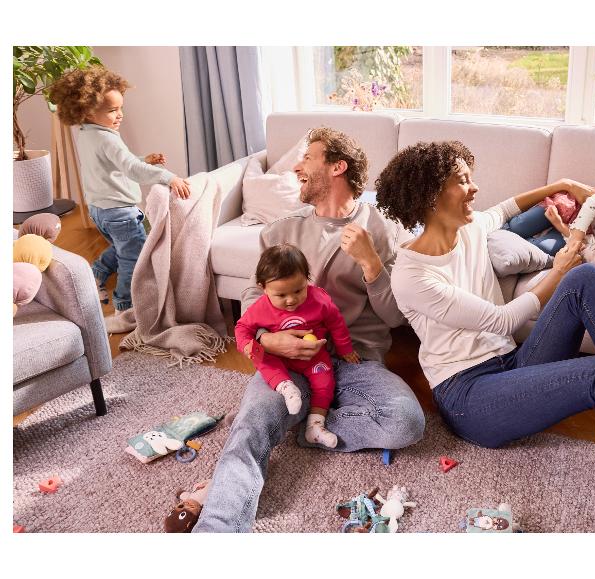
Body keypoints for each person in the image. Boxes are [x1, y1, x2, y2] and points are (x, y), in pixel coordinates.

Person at [375, 141, 595, 533]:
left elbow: (506, 208)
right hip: (469, 396)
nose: (474, 188)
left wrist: (562, 183)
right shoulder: (412, 275)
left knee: (585, 277)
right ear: (432, 196)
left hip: (512, 363)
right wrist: (558, 266)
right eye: (463, 180)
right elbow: (501, 321)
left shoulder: (467, 229)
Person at [193, 127, 425, 532]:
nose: (296, 167)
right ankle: (218, 529)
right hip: (289, 361)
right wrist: (267, 339)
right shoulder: (281, 231)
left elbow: (394, 317)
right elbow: (253, 292)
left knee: (407, 421)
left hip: (356, 358)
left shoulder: (381, 229)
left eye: (307, 158)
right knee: (250, 430)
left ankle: (305, 428)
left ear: (338, 167)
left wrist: (372, 265)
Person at [48, 66, 191, 312]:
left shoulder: (87, 134)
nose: (120, 115)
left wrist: (143, 159)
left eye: (120, 108)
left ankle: (97, 274)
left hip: (99, 209)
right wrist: (169, 177)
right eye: (113, 110)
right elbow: (131, 170)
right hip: (120, 212)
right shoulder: (109, 138)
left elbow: (114, 164)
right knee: (133, 257)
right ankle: (125, 306)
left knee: (122, 246)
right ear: (87, 111)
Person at [235, 243, 361, 448]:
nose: (291, 300)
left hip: (313, 356)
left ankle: (315, 426)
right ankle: (286, 387)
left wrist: (345, 349)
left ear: (307, 279)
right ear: (262, 287)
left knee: (325, 382)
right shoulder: (259, 308)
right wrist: (247, 345)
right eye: (281, 295)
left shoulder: (319, 299)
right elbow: (242, 328)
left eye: (298, 290)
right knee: (265, 362)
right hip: (279, 357)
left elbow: (336, 323)